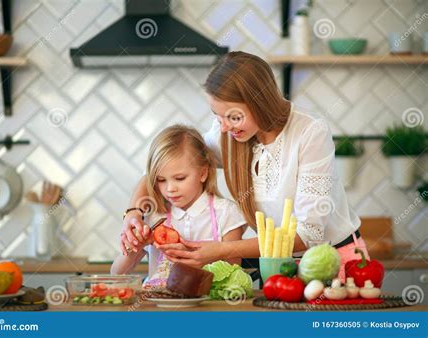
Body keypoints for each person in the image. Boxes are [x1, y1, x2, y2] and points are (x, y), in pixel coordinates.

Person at [120, 51, 369, 281]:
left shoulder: (310, 133)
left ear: (260, 102)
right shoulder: (229, 133)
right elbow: (163, 167)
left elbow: (308, 234)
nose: (224, 127)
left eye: (234, 117)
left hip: (333, 264)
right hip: (277, 268)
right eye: (218, 116)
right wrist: (133, 213)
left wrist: (222, 249)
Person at [111, 125, 246, 288]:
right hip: (159, 307)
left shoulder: (226, 213)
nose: (170, 188)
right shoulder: (154, 216)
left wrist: (190, 258)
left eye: (180, 178)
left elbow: (233, 274)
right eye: (161, 180)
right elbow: (117, 273)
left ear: (203, 173)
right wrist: (134, 247)